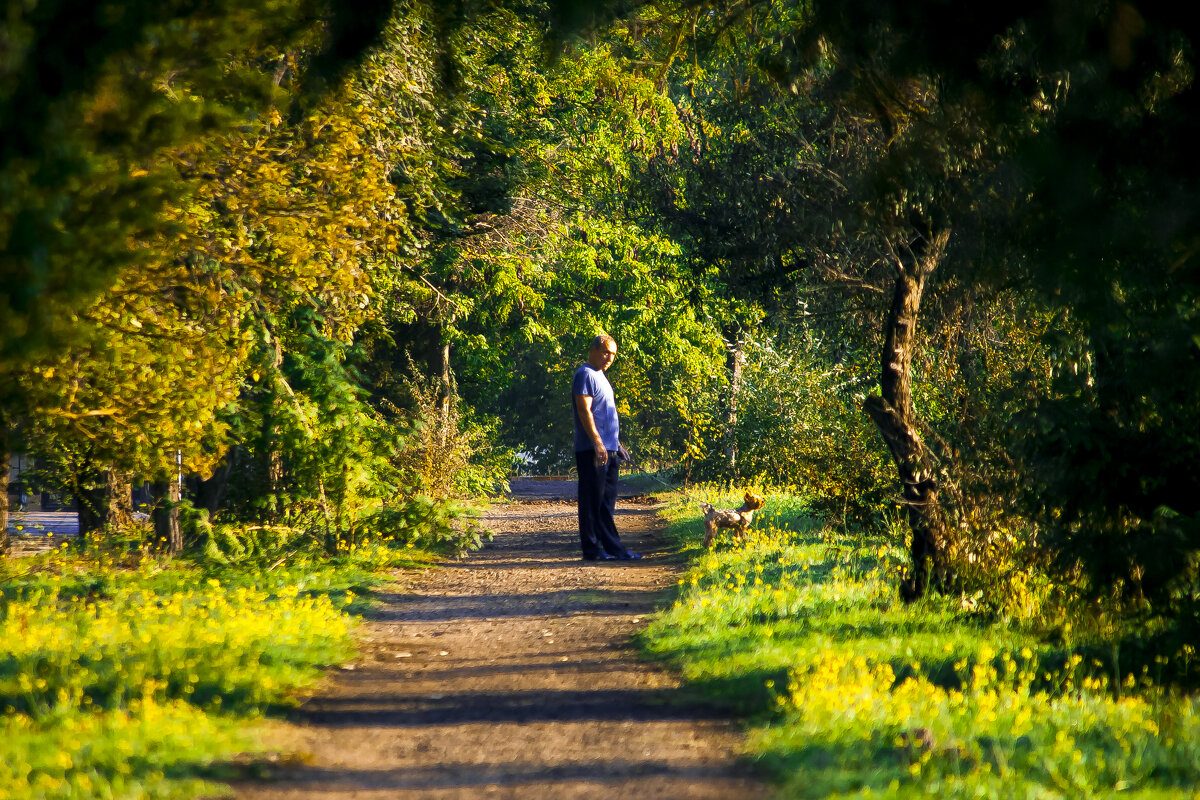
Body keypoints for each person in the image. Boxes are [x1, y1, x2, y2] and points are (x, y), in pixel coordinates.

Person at [572, 334, 640, 561]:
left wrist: (616, 445)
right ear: (592, 350)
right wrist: (598, 443)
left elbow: (606, 416)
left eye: (612, 355)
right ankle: (594, 550)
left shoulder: (601, 376)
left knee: (606, 503)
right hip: (592, 450)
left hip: (608, 449)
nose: (609, 358)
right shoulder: (585, 374)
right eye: (605, 352)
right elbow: (585, 411)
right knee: (592, 502)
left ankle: (609, 549)